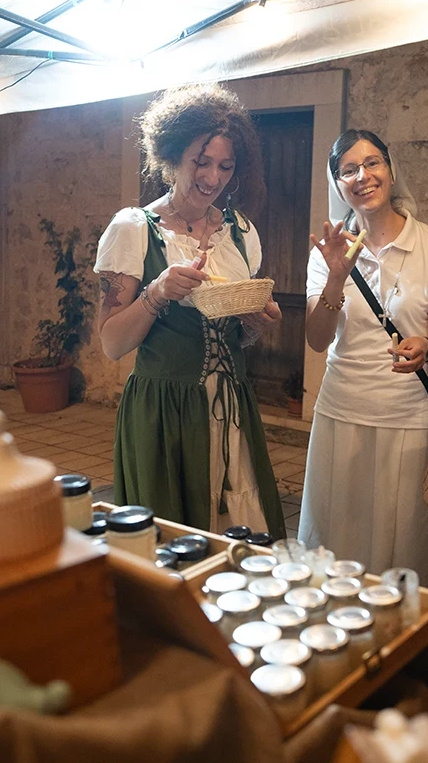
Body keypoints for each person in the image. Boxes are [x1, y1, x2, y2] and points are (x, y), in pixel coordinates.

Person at [94, 84, 286, 537]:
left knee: (242, 532)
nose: (212, 178)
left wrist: (256, 324)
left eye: (225, 166)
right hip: (165, 412)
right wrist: (157, 292)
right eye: (201, 161)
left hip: (232, 407)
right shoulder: (134, 229)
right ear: (172, 155)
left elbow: (239, 337)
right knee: (176, 543)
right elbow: (112, 343)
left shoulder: (240, 232)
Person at [298, 129, 428, 589]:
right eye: (348, 170)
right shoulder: (329, 250)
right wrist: (335, 277)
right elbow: (316, 339)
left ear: (390, 170)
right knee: (338, 537)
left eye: (372, 163)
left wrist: (427, 347)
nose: (362, 176)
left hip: (409, 416)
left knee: (404, 541)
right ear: (337, 184)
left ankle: (402, 626)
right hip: (342, 411)